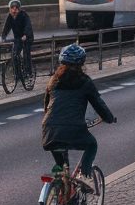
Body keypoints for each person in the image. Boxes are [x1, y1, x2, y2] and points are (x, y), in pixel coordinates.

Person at [41, 44, 115, 192]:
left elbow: (46, 105)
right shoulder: (85, 82)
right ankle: (84, 175)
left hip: (49, 130)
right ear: (82, 63)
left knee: (61, 166)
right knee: (91, 144)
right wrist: (109, 118)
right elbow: (98, 104)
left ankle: (60, 193)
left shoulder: (53, 80)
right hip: (73, 129)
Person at [1, 0, 35, 75]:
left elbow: (28, 26)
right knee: (15, 54)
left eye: (16, 8)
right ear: (10, 9)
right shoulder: (10, 17)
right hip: (18, 38)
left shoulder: (24, 15)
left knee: (26, 54)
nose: (14, 11)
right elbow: (6, 27)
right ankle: (17, 73)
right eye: (12, 8)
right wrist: (3, 37)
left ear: (19, 9)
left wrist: (26, 35)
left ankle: (29, 73)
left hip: (27, 37)